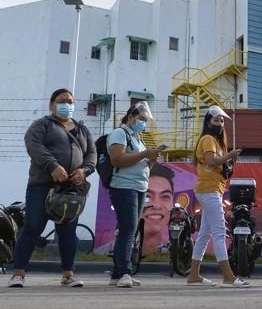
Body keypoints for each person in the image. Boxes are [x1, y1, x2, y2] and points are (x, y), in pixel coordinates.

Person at [8, 88, 97, 288]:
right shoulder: (41, 125)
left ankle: (68, 274)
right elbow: (34, 146)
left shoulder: (82, 129)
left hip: (71, 190)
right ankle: (19, 274)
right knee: (32, 228)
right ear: (51, 104)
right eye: (62, 100)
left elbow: (92, 153)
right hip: (42, 185)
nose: (68, 104)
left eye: (71, 101)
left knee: (68, 231)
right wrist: (53, 166)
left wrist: (85, 170)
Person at [186, 105, 251, 287]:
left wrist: (229, 160)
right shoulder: (208, 139)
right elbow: (210, 161)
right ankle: (228, 276)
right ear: (208, 122)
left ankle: (193, 274)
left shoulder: (215, 141)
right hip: (209, 190)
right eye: (217, 120)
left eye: (222, 121)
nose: (220, 123)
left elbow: (221, 169)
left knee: (205, 233)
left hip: (211, 189)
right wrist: (228, 155)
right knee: (219, 232)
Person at [107, 101, 162, 288]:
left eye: (145, 120)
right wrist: (145, 153)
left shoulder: (138, 138)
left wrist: (151, 160)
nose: (143, 123)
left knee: (129, 230)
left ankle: (117, 274)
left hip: (139, 187)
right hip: (124, 187)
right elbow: (117, 159)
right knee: (128, 230)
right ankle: (124, 272)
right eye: (141, 119)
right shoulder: (119, 133)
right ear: (130, 117)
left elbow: (141, 165)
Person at [142, 163, 175, 254]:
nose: (156, 205)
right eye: (147, 196)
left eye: (165, 196)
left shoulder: (178, 253)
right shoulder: (114, 251)